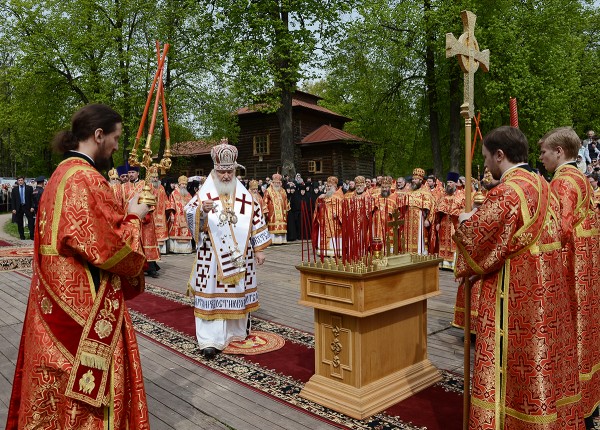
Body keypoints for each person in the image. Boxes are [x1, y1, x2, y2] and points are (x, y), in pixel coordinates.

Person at [6, 104, 151, 429]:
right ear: (98, 135)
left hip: (53, 304)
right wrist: (134, 216)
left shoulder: (60, 174)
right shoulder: (85, 179)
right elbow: (113, 248)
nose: (117, 147)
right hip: (83, 313)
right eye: (114, 138)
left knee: (55, 399)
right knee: (90, 405)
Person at [454, 126, 582, 429]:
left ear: (500, 155)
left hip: (513, 294)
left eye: (486, 158)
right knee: (541, 364)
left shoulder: (508, 192)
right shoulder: (542, 183)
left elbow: (476, 243)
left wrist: (465, 222)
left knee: (512, 364)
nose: (484, 165)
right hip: (545, 290)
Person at [184, 140, 271, 359]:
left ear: (235, 170)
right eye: (221, 171)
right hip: (212, 257)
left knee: (236, 293)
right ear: (215, 170)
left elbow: (256, 217)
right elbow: (189, 214)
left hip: (240, 256)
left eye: (229, 171)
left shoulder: (244, 195)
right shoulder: (204, 194)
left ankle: (234, 334)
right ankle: (210, 340)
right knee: (212, 296)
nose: (225, 176)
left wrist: (259, 248)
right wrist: (201, 213)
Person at [538, 127, 600, 428]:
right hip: (586, 269)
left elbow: (556, 231)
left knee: (569, 335)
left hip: (570, 272)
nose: (541, 158)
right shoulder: (582, 180)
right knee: (584, 333)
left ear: (559, 152)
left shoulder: (562, 182)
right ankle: (587, 400)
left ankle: (570, 404)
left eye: (545, 152)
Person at [120, 165, 161, 277]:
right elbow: (120, 203)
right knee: (132, 241)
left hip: (145, 218)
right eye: (129, 172)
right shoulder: (123, 187)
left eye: (133, 172)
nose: (131, 174)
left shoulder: (146, 184)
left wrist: (147, 214)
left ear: (138, 173)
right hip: (129, 218)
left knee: (147, 241)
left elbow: (152, 200)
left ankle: (151, 268)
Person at [397, 168, 435, 254]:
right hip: (407, 217)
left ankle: (418, 254)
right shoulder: (409, 191)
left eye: (415, 179)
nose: (413, 181)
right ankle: (407, 253)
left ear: (421, 180)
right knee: (407, 237)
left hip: (419, 217)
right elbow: (403, 205)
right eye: (413, 179)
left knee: (418, 237)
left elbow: (431, 206)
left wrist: (428, 219)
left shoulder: (425, 191)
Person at [433, 172, 463, 269]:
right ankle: (443, 263)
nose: (449, 184)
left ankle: (452, 264)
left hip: (454, 223)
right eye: (448, 182)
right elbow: (438, 210)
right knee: (443, 242)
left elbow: (464, 209)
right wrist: (437, 222)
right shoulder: (443, 196)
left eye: (451, 182)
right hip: (444, 222)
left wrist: (455, 212)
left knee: (452, 242)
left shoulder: (461, 196)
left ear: (455, 183)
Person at [166, 175, 194, 253]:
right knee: (176, 231)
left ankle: (185, 249)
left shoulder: (188, 195)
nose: (184, 186)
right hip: (177, 216)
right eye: (182, 184)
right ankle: (176, 249)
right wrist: (171, 214)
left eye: (185, 184)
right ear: (179, 184)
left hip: (186, 218)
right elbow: (171, 205)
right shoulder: (174, 193)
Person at [263, 173, 290, 244]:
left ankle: (282, 240)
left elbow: (285, 200)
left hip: (282, 211)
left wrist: (286, 208)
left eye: (278, 183)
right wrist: (265, 210)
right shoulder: (268, 190)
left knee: (282, 225)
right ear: (273, 182)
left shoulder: (283, 190)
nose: (277, 184)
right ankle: (273, 240)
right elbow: (265, 201)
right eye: (275, 183)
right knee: (273, 226)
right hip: (272, 213)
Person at [10, 175, 35, 240]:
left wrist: (32, 206)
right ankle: (22, 236)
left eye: (21, 180)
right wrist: (13, 208)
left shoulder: (29, 188)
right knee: (20, 222)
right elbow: (13, 200)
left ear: (24, 180)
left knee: (31, 221)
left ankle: (32, 236)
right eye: (19, 180)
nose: (20, 182)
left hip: (27, 207)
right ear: (17, 181)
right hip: (19, 207)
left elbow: (32, 198)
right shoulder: (14, 189)